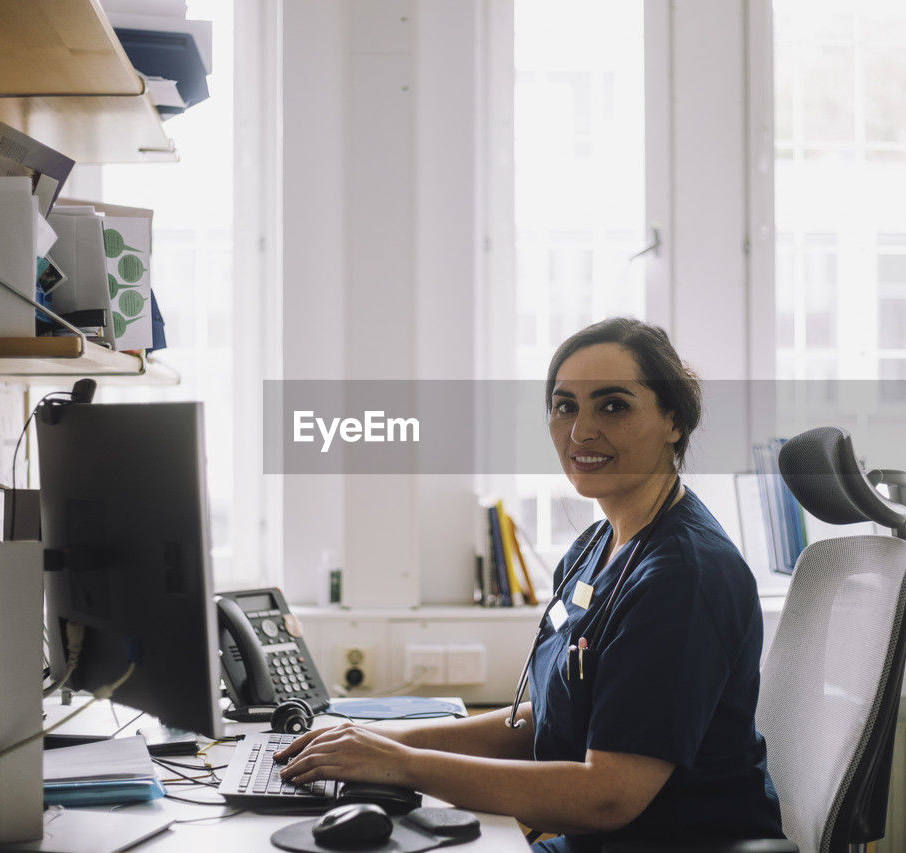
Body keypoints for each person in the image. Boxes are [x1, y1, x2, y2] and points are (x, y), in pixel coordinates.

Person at [276, 318, 784, 851]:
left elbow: (609, 795)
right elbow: (549, 715)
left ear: (673, 420)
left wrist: (402, 765)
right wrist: (377, 742)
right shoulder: (595, 546)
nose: (581, 431)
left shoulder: (685, 577)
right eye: (565, 406)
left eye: (613, 405)